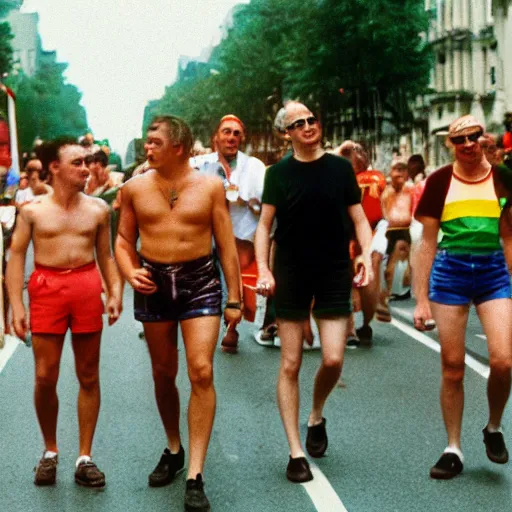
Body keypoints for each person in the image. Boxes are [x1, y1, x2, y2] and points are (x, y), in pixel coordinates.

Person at [115, 115, 242, 511]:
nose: (146, 148)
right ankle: (174, 448)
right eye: (146, 142)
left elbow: (226, 245)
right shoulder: (133, 188)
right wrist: (129, 270)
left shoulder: (210, 187)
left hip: (199, 280)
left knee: (201, 369)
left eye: (154, 142)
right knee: (163, 372)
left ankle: (195, 475)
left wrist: (235, 298)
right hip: (153, 281)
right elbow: (122, 240)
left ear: (179, 148)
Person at [254, 102, 373, 483]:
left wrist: (367, 257)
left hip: (334, 269)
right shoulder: (278, 173)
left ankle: (316, 414)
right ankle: (295, 452)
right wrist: (265, 269)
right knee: (290, 363)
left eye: (311, 120)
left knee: (334, 358)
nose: (308, 126)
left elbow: (359, 218)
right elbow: (264, 226)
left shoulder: (340, 168)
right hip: (290, 270)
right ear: (285, 133)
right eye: (297, 123)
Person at [6, 138, 123, 487]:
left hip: (86, 286)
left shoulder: (98, 210)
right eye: (77, 162)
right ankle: (50, 451)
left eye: (86, 162)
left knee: (88, 374)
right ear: (54, 168)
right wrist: (16, 305)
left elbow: (106, 256)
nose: (85, 168)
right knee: (45, 375)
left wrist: (114, 290)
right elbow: (14, 258)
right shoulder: (32, 211)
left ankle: (85, 457)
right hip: (47, 288)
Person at [413, 115, 512, 479]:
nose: (468, 144)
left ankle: (494, 427)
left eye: (474, 136)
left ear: (482, 136)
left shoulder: (503, 178)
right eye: (460, 140)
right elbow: (426, 244)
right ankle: (452, 448)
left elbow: (509, 235)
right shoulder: (439, 182)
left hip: (492, 272)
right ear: (450, 145)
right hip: (450, 271)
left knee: (503, 360)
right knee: (453, 367)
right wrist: (421, 299)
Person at [192, 114, 266, 353]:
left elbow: (264, 203)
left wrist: (246, 201)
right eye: (226, 132)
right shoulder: (200, 163)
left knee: (231, 276)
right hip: (204, 233)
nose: (231, 137)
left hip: (239, 233)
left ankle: (231, 325)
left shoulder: (254, 166)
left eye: (236, 133)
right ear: (216, 137)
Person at [337, 141, 386, 347]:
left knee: (369, 269)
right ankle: (350, 327)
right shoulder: (336, 175)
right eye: (350, 151)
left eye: (358, 150)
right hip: (343, 230)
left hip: (370, 231)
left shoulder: (373, 178)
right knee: (344, 276)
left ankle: (365, 322)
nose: (354, 153)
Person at [374, 158, 414, 322]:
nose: (399, 174)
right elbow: (385, 212)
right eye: (396, 170)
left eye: (402, 170)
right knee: (387, 267)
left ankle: (388, 293)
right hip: (390, 231)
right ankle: (384, 295)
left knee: (400, 249)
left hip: (404, 231)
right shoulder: (387, 191)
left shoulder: (410, 190)